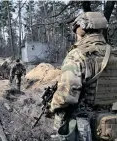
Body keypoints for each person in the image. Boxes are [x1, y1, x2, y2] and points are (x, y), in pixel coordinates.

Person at [46, 12, 117, 141]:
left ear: (81, 29)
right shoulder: (114, 54)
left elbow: (66, 96)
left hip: (83, 127)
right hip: (109, 125)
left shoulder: (77, 55)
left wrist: (52, 106)